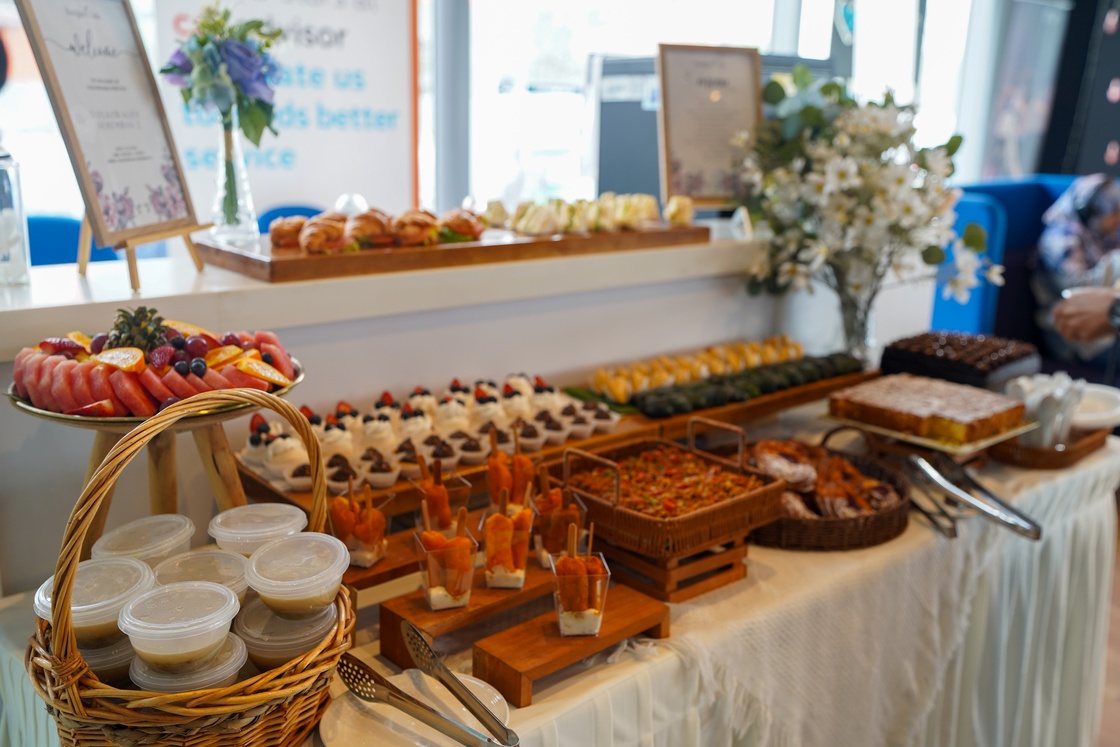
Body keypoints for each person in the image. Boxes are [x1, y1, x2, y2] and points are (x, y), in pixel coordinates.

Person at [1031, 174, 1120, 365]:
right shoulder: (1061, 239)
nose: (1117, 219)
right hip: (1073, 336)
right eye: (1113, 212)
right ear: (1088, 210)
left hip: (1108, 327)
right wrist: (1116, 262)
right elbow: (1077, 290)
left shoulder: (1101, 235)